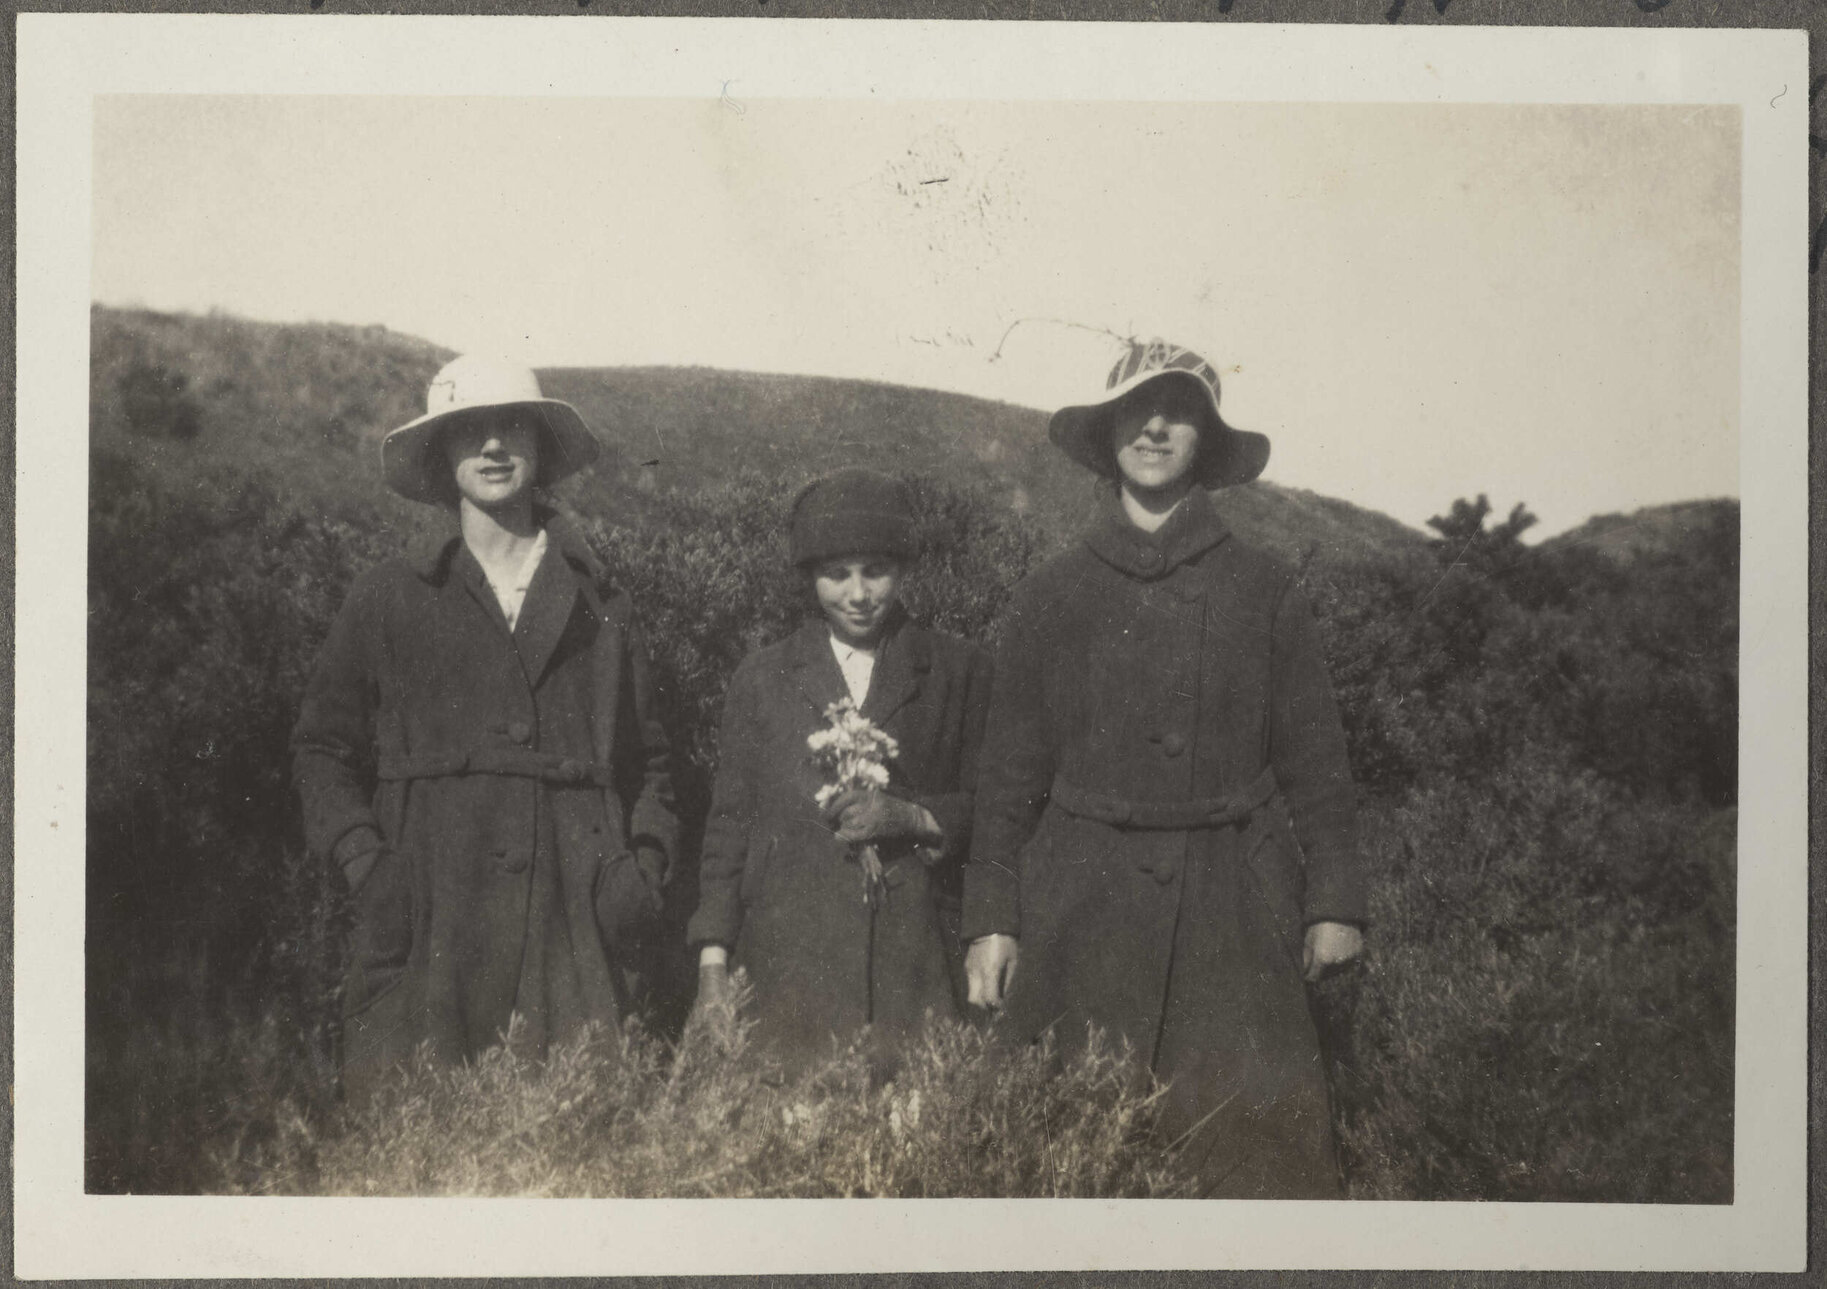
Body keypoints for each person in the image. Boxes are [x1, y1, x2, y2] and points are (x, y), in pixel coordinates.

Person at [960, 338, 1367, 1198]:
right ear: (1107, 431)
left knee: (1251, 1169)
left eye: (1180, 412)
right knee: (1057, 1164)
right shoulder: (1051, 592)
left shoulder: (1265, 590)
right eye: (1136, 410)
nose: (1154, 427)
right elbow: (1006, 778)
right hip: (1078, 901)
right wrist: (992, 915)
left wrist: (1332, 900)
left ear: (1208, 441)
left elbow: (1317, 765)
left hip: (1235, 906)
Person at [293, 354, 678, 1102]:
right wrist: (369, 866)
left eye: (513, 426)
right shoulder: (387, 597)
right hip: (431, 906)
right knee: (419, 1147)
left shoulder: (604, 601)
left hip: (575, 915)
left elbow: (651, 762)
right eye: (470, 430)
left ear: (540, 448)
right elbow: (322, 749)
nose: (494, 446)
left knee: (574, 1143)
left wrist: (640, 874)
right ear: (442, 454)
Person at [688, 467, 993, 1074]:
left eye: (875, 571)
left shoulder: (960, 671)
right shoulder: (762, 678)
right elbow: (730, 829)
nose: (858, 593)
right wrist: (713, 965)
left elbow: (1000, 808)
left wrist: (914, 816)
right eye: (836, 574)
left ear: (903, 569)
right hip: (788, 973)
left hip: (915, 971)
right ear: (809, 578)